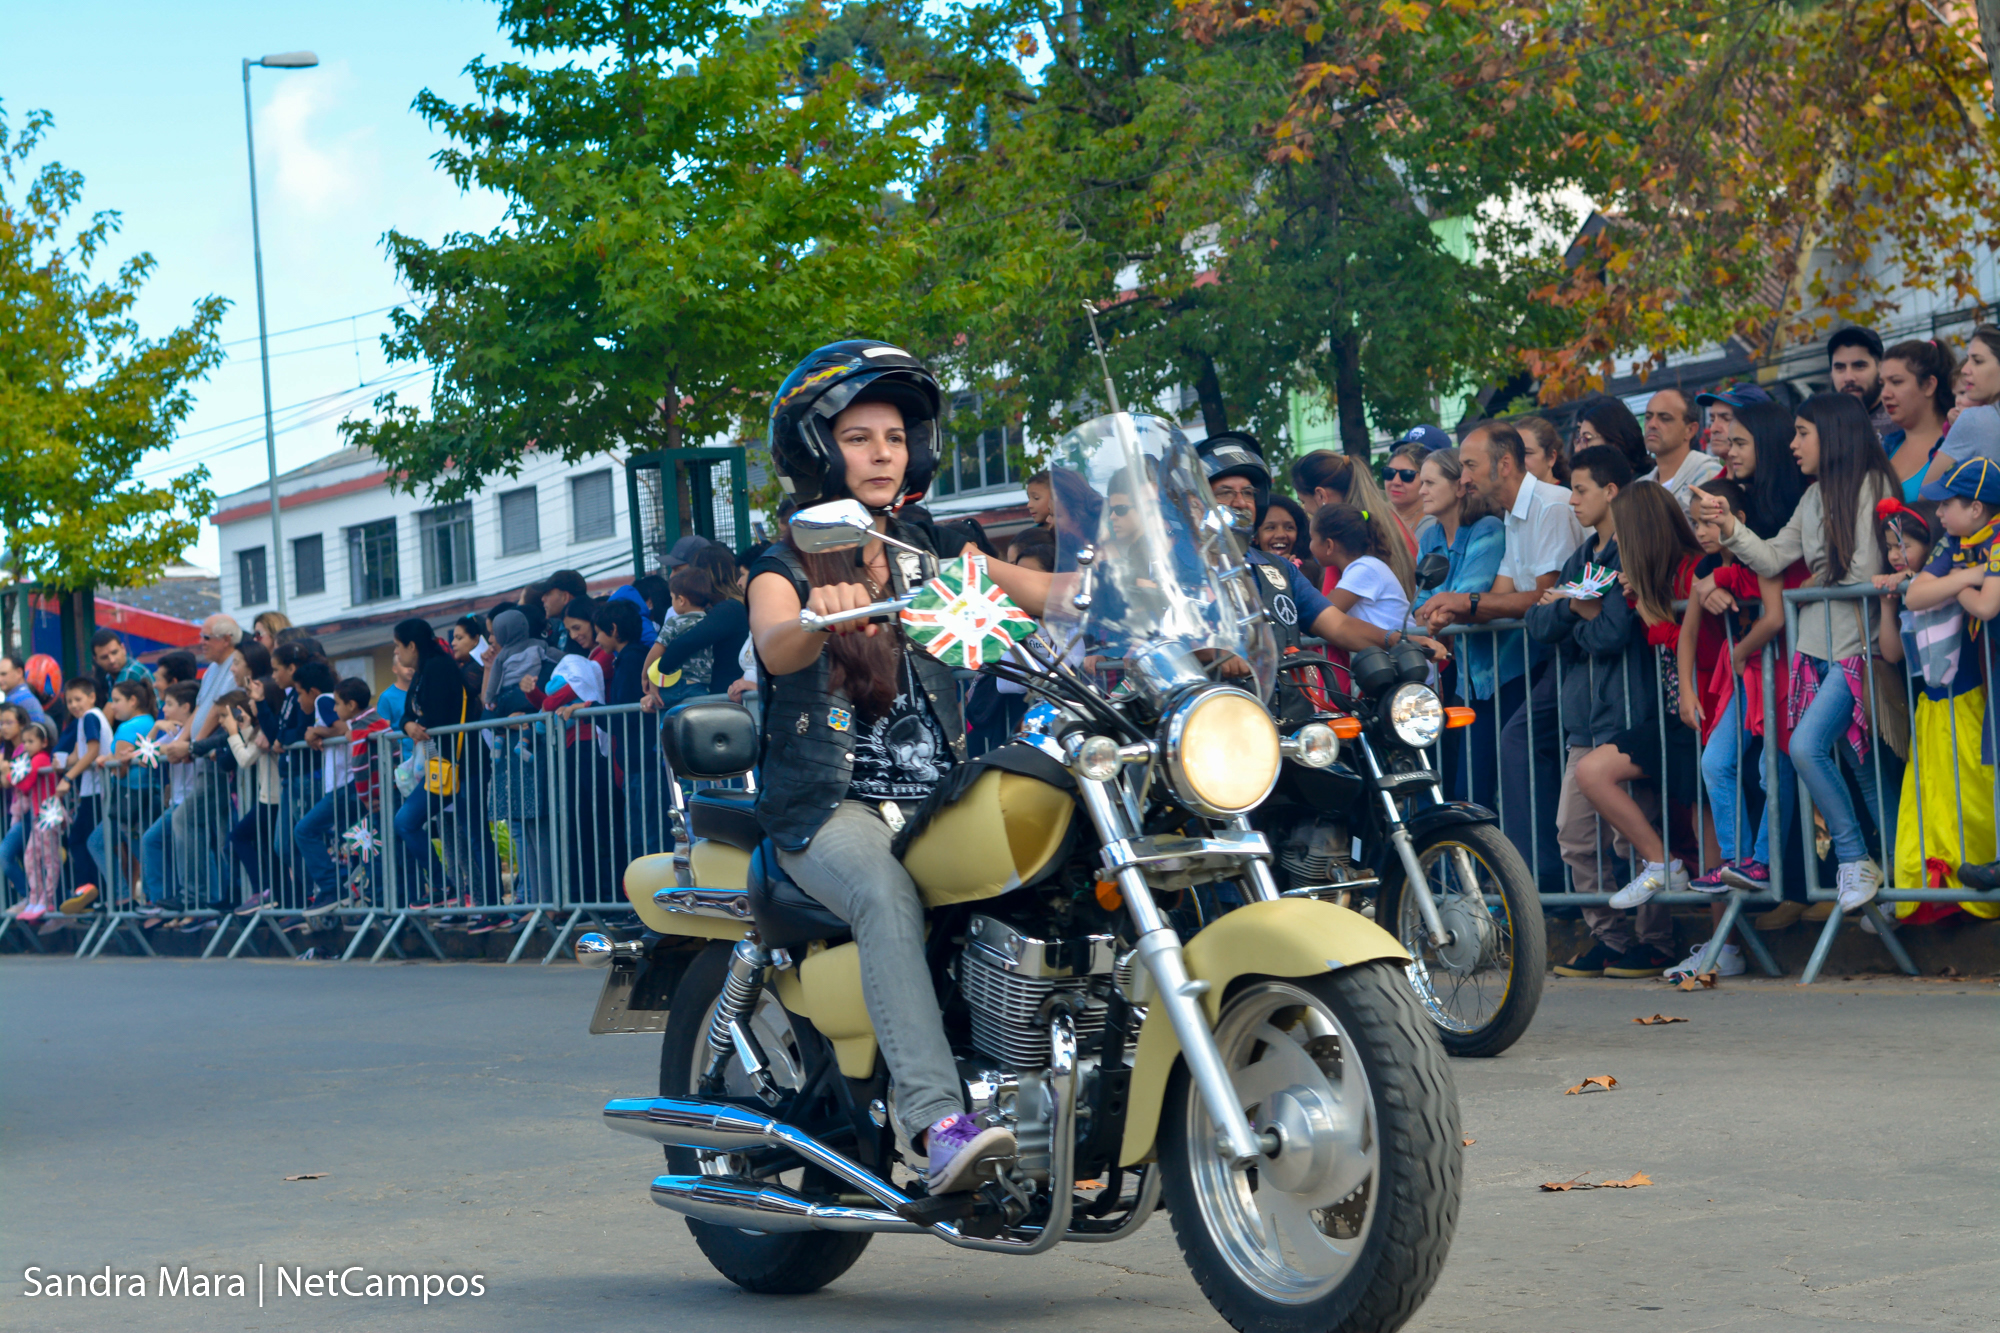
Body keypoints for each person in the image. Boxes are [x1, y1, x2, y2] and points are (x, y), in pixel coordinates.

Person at [747, 339, 1067, 1194]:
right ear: (819, 449)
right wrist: (817, 615)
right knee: (885, 891)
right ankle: (935, 1122)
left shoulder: (929, 552)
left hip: (937, 800)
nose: (882, 451)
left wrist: (1150, 585)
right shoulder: (786, 562)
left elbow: (1045, 596)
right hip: (831, 807)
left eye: (894, 435)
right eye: (858, 436)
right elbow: (776, 645)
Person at [1696, 392, 1900, 913]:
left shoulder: (1872, 486)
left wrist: (1817, 581)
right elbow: (1770, 557)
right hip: (1817, 649)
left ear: (1831, 434)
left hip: (1858, 648)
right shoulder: (1812, 498)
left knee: (1808, 748)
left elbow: (1861, 574)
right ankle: (1899, 871)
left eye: (1802, 432)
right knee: (1857, 766)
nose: (1792, 444)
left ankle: (1859, 858)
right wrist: (1729, 527)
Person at [1527, 446, 1673, 977]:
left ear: (1610, 491)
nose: (1572, 499)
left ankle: (1654, 939)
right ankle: (1609, 939)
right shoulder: (1583, 557)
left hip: (1625, 714)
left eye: (1581, 489)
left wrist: (1573, 613)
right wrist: (1575, 606)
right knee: (1575, 837)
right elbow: (1538, 625)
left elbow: (1614, 632)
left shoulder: (1631, 553)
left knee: (1627, 835)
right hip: (1582, 720)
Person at [1422, 420, 1585, 883]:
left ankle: (1542, 883)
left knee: (1519, 745)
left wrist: (1463, 603)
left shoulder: (1552, 507)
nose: (1465, 477)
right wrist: (1452, 612)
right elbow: (1503, 594)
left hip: (1576, 657)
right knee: (1516, 751)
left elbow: (1546, 596)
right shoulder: (1515, 514)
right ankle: (1535, 883)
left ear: (1505, 464)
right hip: (1556, 659)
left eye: (1470, 465)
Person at [1876, 489, 1997, 919]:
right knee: (1929, 806)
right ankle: (1934, 893)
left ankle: (1975, 890)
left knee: (1971, 799)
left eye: (1904, 546)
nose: (1895, 556)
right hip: (1931, 710)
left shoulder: (1951, 570)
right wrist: (1888, 609)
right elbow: (1892, 651)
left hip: (1967, 706)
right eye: (1889, 547)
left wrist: (1965, 576)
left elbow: (1974, 600)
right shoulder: (1920, 582)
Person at [1683, 477, 1792, 902]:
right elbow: (1688, 632)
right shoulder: (1705, 570)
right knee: (1714, 762)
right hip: (1744, 677)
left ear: (1737, 519)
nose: (1702, 533)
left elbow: (1775, 618)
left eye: (1708, 522)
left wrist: (1740, 651)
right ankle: (1735, 860)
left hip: (1778, 670)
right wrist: (1688, 692)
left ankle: (1762, 861)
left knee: (1773, 767)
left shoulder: (1760, 554)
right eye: (1696, 524)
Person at [1412, 448, 1507, 804]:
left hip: (1497, 676)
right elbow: (1421, 606)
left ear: (1458, 487)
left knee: (1479, 787)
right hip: (1456, 678)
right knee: (1452, 784)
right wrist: (1443, 611)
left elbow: (1470, 591)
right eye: (1420, 482)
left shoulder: (1488, 527)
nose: (1421, 490)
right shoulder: (1429, 537)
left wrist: (1444, 611)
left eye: (1429, 482)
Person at [393, 619, 498, 914]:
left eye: (398, 647)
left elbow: (439, 714)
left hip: (468, 762)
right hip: (443, 768)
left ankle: (493, 907)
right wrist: (409, 725)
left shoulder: (438, 666)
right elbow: (406, 715)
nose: (397, 653)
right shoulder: (422, 670)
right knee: (405, 821)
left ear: (412, 646)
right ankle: (443, 887)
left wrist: (417, 724)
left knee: (477, 837)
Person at [294, 677, 391, 917]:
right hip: (356, 790)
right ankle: (377, 900)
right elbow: (348, 735)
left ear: (350, 705)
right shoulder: (365, 722)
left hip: (350, 789)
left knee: (304, 830)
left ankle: (333, 887)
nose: (335, 709)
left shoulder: (356, 721)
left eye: (338, 705)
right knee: (365, 843)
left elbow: (357, 760)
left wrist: (368, 796)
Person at [1290, 451, 1416, 598]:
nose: (1305, 509)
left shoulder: (1342, 540)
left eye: (1303, 502)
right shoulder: (1388, 517)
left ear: (1321, 496)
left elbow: (1325, 614)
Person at [86, 679, 157, 912]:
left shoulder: (127, 728)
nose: (112, 707)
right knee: (136, 846)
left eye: (116, 700)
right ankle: (135, 897)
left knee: (128, 846)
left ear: (133, 701)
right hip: (146, 795)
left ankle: (133, 898)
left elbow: (121, 768)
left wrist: (108, 761)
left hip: (132, 798)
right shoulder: (150, 722)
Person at [647, 546, 751, 697]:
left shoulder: (729, 609)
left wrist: (656, 674)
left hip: (727, 699)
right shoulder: (726, 608)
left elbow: (685, 643)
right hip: (724, 697)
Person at [51, 677, 111, 903]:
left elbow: (93, 751)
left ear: (92, 697)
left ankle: (90, 892)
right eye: (69, 701)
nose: (74, 705)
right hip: (92, 790)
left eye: (78, 699)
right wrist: (64, 761)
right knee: (86, 840)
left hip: (97, 790)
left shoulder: (90, 717)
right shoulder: (85, 719)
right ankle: (94, 893)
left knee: (79, 840)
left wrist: (68, 776)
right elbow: (80, 753)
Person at [1311, 505, 1411, 637]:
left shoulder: (1365, 569)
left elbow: (1322, 614)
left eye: (1312, 538)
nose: (1310, 545)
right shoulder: (1363, 567)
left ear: (1329, 545)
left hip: (1402, 655)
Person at [1879, 338, 1957, 502]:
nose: (1885, 393)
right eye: (1882, 384)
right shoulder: (1883, 449)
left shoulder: (1956, 447)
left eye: (1896, 382)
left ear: (1929, 385)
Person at [1639, 386, 1723, 513]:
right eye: (1648, 417)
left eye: (1665, 418)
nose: (1652, 424)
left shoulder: (1708, 474)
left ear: (1690, 430)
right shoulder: (1640, 486)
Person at [12, 722, 61, 923]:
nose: (26, 746)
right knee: (30, 857)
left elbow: (25, 783)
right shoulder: (33, 760)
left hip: (49, 813)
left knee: (49, 859)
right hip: (38, 816)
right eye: (24, 742)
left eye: (31, 741)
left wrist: (9, 774)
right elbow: (24, 788)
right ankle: (35, 897)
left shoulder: (41, 759)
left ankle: (47, 898)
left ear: (44, 742)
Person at [1827, 325, 1894, 440]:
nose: (1848, 377)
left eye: (1859, 366)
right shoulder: (1822, 430)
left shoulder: (1904, 423)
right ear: (1831, 374)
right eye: (1840, 368)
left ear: (1881, 368)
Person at [1573, 394, 1651, 481]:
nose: (1578, 449)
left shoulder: (1645, 487)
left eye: (1587, 438)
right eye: (1579, 436)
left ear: (1614, 441)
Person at [1381, 440, 1432, 552]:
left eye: (1407, 475)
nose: (1396, 482)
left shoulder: (1433, 523)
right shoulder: (1375, 517)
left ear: (1424, 479)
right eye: (1389, 473)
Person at [90, 630, 153, 706]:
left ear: (123, 649)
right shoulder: (109, 676)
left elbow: (109, 715)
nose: (112, 660)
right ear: (96, 660)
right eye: (104, 657)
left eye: (114, 652)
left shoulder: (130, 671)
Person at [538, 570, 589, 655]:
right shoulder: (557, 629)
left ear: (565, 597)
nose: (543, 599)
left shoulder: (589, 632)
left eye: (548, 594)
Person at [1518, 416, 1570, 488]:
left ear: (1551, 458)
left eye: (1527, 453)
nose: (1518, 460)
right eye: (1514, 453)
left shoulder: (1568, 496)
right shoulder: (1509, 496)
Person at [0, 656, 50, 728]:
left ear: (19, 672)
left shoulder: (16, 699)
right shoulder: (27, 696)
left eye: (4, 674)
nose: (0, 679)